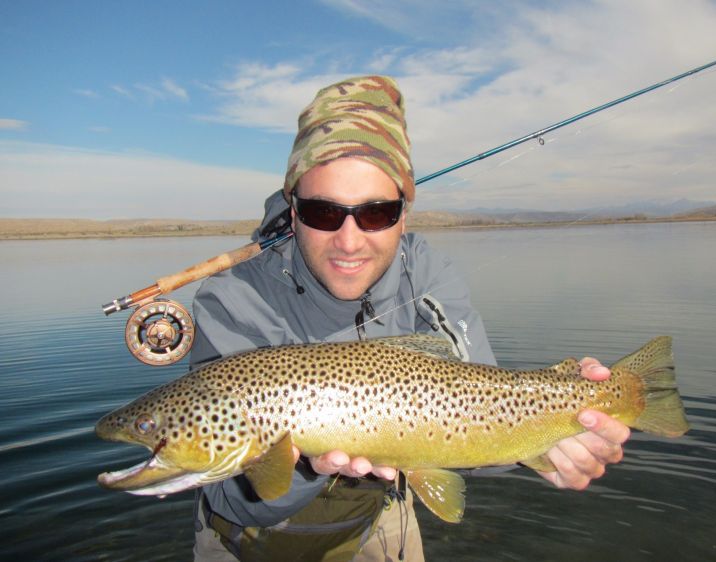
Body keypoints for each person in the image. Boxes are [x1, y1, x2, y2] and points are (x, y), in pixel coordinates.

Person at [190, 75, 630, 562]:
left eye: (377, 213)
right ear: (292, 211)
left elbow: (479, 416)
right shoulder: (231, 300)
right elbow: (235, 500)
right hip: (245, 547)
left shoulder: (427, 273)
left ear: (405, 213)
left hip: (379, 529)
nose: (350, 241)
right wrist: (305, 468)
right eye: (322, 212)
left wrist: (554, 440)